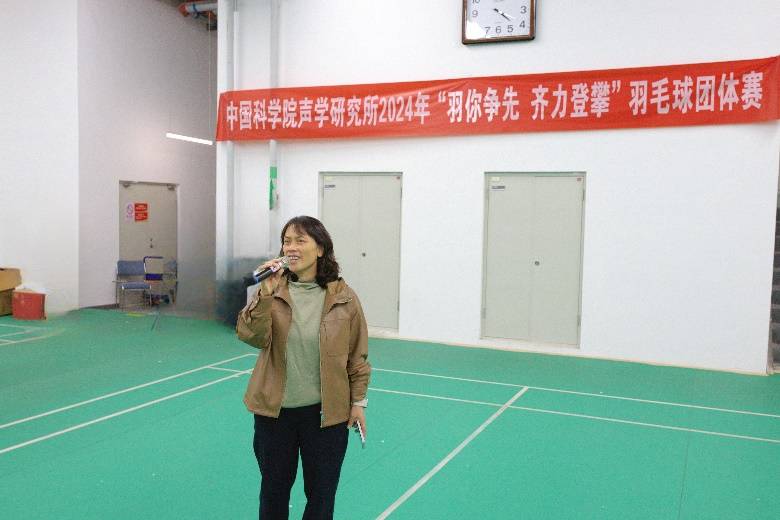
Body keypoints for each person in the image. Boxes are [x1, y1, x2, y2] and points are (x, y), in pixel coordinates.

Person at [236, 215, 370, 520]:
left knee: (321, 496)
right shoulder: (273, 290)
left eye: (300, 240)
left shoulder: (344, 297)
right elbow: (250, 335)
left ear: (320, 249)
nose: (291, 248)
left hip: (326, 416)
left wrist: (358, 402)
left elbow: (357, 355)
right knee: (273, 492)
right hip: (274, 414)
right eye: (286, 241)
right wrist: (265, 294)